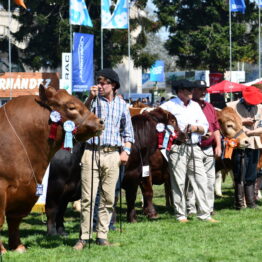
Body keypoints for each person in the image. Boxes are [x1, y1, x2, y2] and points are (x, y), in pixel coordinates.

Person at [73, 68, 134, 250]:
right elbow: (80, 118)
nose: (99, 85)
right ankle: (84, 237)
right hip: (91, 152)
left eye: (103, 82)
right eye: (98, 82)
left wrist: (126, 152)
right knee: (87, 198)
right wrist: (90, 98)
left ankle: (102, 235)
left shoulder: (122, 105)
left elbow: (128, 132)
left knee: (108, 198)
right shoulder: (93, 102)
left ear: (113, 85)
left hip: (113, 154)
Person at [160, 79, 218, 223]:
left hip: (195, 147)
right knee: (179, 181)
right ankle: (181, 215)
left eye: (192, 89)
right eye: (188, 89)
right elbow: (160, 126)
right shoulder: (168, 106)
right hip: (177, 147)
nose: (191, 92)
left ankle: (204, 213)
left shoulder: (195, 107)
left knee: (201, 179)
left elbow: (205, 126)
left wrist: (195, 128)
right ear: (179, 91)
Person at [187, 80, 222, 215]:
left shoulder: (209, 107)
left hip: (208, 149)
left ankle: (208, 208)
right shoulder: (189, 107)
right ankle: (191, 208)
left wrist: (218, 145)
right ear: (193, 90)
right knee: (192, 180)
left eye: (205, 89)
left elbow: (216, 128)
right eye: (200, 89)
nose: (203, 92)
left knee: (209, 179)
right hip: (194, 147)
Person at [227, 86, 262, 209]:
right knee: (239, 174)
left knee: (252, 174)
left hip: (254, 144)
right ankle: (239, 203)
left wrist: (251, 132)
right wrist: (242, 122)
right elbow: (226, 124)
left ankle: (251, 202)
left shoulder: (260, 107)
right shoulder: (231, 106)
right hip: (238, 145)